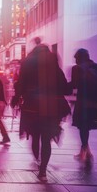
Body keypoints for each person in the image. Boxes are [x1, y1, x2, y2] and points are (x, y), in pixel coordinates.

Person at [11, 37, 71, 182]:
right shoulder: (53, 61)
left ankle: (37, 159)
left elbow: (21, 83)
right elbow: (63, 84)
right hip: (51, 106)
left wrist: (16, 98)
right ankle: (43, 170)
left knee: (34, 135)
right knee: (46, 138)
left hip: (32, 106)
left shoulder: (28, 61)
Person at [69, 48, 97, 162]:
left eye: (76, 58)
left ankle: (84, 150)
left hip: (83, 103)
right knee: (87, 127)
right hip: (96, 103)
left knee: (83, 127)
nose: (75, 60)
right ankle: (86, 149)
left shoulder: (77, 69)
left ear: (79, 58)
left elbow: (74, 84)